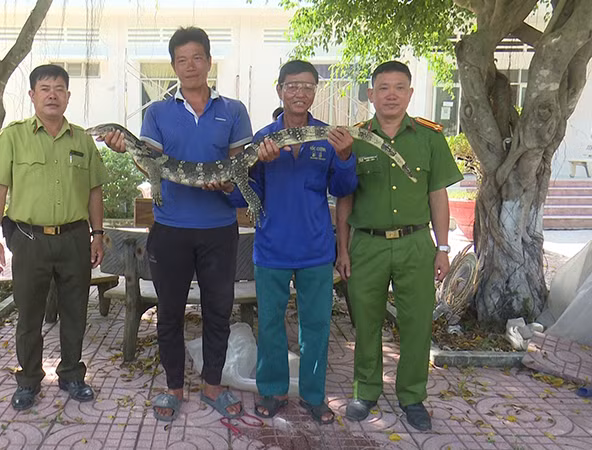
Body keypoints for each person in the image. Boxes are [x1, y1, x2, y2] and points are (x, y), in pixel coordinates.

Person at [102, 26, 252, 422]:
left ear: (208, 61)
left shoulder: (233, 111)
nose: (190, 66)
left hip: (219, 230)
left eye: (197, 58)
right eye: (181, 60)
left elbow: (241, 171)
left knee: (218, 311)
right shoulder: (157, 113)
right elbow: (149, 162)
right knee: (168, 312)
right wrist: (128, 149)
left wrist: (229, 185)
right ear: (173, 65)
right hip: (169, 231)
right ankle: (173, 388)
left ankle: (214, 387)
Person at [226, 60, 357, 424]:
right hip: (272, 248)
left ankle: (314, 396)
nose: (299, 93)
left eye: (307, 86)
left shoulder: (329, 137)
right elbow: (243, 198)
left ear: (315, 91)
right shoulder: (263, 138)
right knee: (269, 323)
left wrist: (346, 157)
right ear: (280, 89)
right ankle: (272, 390)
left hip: (316, 248)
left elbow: (343, 189)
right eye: (292, 86)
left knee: (316, 325)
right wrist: (251, 168)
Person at [335, 60, 462, 431]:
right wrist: (343, 250)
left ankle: (412, 396)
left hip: (415, 245)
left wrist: (443, 247)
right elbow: (345, 199)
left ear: (409, 93)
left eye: (399, 87)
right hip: (367, 246)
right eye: (383, 87)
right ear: (371, 94)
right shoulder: (353, 139)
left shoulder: (429, 137)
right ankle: (366, 391)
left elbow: (437, 195)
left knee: (417, 322)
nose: (391, 94)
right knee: (366, 321)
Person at [0, 64, 108, 411]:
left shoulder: (82, 139)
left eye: (59, 89)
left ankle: (71, 374)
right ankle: (29, 380)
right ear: (32, 95)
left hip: (73, 239)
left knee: (75, 311)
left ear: (68, 96)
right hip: (29, 239)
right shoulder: (14, 136)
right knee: (29, 314)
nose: (52, 94)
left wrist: (98, 234)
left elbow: (95, 191)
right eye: (45, 88)